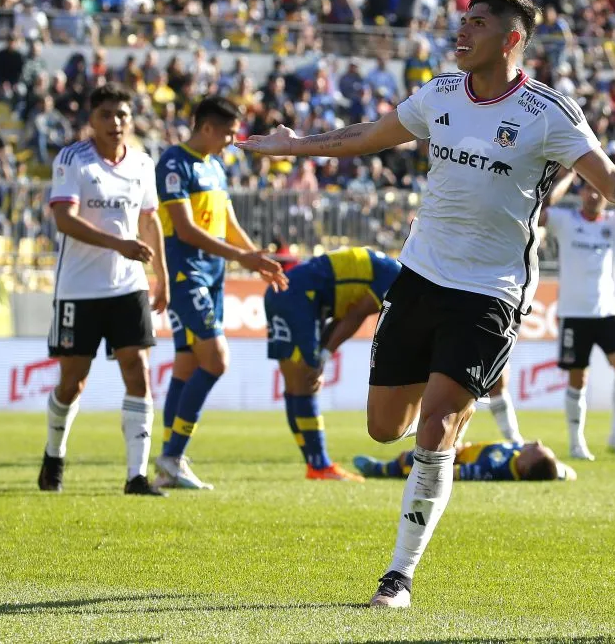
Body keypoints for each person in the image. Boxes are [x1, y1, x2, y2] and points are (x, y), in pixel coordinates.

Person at [238, 0, 615, 609]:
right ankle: (449, 397)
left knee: (436, 429)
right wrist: (294, 144)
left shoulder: (548, 112)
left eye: (476, 24)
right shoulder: (440, 94)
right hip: (419, 278)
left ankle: (398, 576)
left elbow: (611, 182)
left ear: (509, 40)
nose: (462, 32)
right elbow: (369, 135)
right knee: (381, 429)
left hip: (489, 293)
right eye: (462, 21)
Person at [38, 83, 168, 497]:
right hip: (79, 288)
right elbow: (64, 220)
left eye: (122, 116)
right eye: (107, 115)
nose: (115, 123)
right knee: (72, 381)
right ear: (91, 120)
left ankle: (136, 476)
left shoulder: (143, 164)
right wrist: (121, 245)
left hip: (127, 287)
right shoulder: (73, 160)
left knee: (138, 371)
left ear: (132, 120)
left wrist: (161, 276)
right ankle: (54, 455)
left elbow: (150, 222)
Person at [153, 96, 287, 491]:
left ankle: (167, 466)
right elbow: (186, 230)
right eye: (229, 132)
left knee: (187, 364)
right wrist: (243, 257)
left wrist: (256, 258)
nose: (233, 140)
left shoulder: (214, 166)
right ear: (207, 127)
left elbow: (227, 223)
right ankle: (174, 454)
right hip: (186, 273)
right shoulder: (174, 163)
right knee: (216, 361)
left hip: (212, 275)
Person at [540, 167, 615, 461]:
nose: (592, 195)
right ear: (580, 194)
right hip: (574, 314)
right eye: (587, 190)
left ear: (605, 197)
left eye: (597, 191)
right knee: (578, 379)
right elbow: (539, 211)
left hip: (608, 312)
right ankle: (576, 443)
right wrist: (565, 177)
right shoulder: (565, 221)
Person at [265, 246, 401, 482]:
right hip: (299, 296)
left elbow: (342, 317)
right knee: (306, 382)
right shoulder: (397, 279)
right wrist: (324, 356)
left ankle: (313, 463)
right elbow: (355, 316)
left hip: (281, 292)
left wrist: (321, 353)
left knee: (294, 385)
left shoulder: (386, 268)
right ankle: (320, 465)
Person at [353, 439, 576, 482]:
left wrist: (454, 452)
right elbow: (567, 473)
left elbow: (455, 473)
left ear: (526, 467)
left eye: (539, 451)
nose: (537, 443)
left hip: (452, 453)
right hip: (462, 445)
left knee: (409, 458)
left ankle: (382, 470)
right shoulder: (520, 457)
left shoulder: (495, 469)